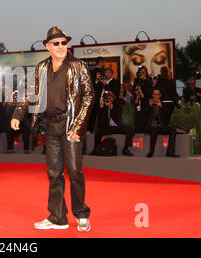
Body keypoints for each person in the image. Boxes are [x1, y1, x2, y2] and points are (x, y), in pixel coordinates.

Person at [11, 26, 94, 232]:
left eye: (64, 42)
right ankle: (58, 217)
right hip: (50, 125)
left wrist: (77, 125)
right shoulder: (41, 68)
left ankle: (82, 214)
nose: (61, 46)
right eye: (56, 43)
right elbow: (29, 93)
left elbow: (88, 97)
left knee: (74, 171)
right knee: (54, 173)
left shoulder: (78, 66)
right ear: (48, 46)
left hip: (70, 125)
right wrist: (17, 115)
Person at [93, 91, 135, 156]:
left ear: (112, 98)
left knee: (130, 129)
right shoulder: (103, 107)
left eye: (109, 98)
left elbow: (118, 115)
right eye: (106, 98)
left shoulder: (117, 105)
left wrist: (111, 106)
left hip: (118, 126)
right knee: (98, 132)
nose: (108, 100)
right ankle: (96, 149)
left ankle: (126, 149)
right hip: (108, 127)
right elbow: (100, 119)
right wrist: (101, 106)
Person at [145, 88, 179, 157]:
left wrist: (161, 106)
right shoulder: (149, 103)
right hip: (151, 126)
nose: (156, 96)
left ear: (160, 95)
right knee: (154, 130)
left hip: (160, 126)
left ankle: (170, 152)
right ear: (152, 95)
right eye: (154, 94)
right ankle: (151, 152)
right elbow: (143, 114)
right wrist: (149, 106)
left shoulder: (162, 104)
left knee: (173, 130)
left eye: (157, 94)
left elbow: (168, 114)